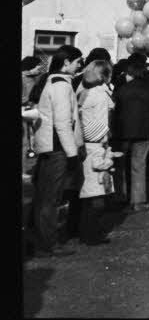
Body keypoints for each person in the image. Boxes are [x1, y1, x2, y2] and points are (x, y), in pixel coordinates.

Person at [30, 46, 84, 256]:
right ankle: (49, 244)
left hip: (49, 145)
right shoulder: (62, 86)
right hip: (58, 147)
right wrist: (72, 153)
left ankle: (42, 239)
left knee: (44, 196)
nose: (80, 66)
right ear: (66, 62)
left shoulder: (51, 81)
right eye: (78, 61)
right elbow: (63, 123)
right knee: (51, 198)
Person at [76, 60, 117, 246]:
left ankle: (85, 231)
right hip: (95, 146)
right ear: (105, 75)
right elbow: (101, 125)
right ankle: (91, 234)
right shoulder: (100, 95)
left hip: (85, 146)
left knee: (88, 194)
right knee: (97, 196)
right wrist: (105, 144)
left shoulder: (83, 91)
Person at [114, 58, 149, 212]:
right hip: (143, 132)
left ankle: (120, 196)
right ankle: (138, 200)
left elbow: (116, 112)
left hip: (122, 132)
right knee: (139, 166)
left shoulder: (122, 90)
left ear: (130, 74)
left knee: (120, 166)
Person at [22, 55, 45, 160]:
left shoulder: (35, 78)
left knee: (31, 135)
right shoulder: (23, 78)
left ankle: (30, 153)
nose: (39, 70)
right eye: (38, 68)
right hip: (24, 110)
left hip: (31, 110)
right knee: (24, 137)